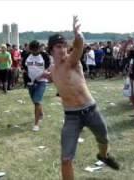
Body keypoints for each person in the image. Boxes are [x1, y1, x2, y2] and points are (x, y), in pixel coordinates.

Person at [48, 16, 120, 180]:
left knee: (103, 138)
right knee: (66, 159)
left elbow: (78, 47)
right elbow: (55, 78)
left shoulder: (72, 62)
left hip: (91, 110)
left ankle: (103, 156)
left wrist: (78, 34)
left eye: (64, 46)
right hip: (71, 117)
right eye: (58, 46)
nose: (62, 49)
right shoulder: (52, 69)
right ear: (51, 50)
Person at [22, 40, 50, 131]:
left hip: (41, 81)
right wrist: (25, 72)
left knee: (37, 101)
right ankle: (41, 113)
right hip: (30, 82)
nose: (34, 52)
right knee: (35, 101)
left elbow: (48, 67)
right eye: (32, 50)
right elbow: (23, 66)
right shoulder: (27, 55)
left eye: (36, 50)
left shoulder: (44, 56)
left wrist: (45, 73)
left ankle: (36, 124)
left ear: (39, 48)